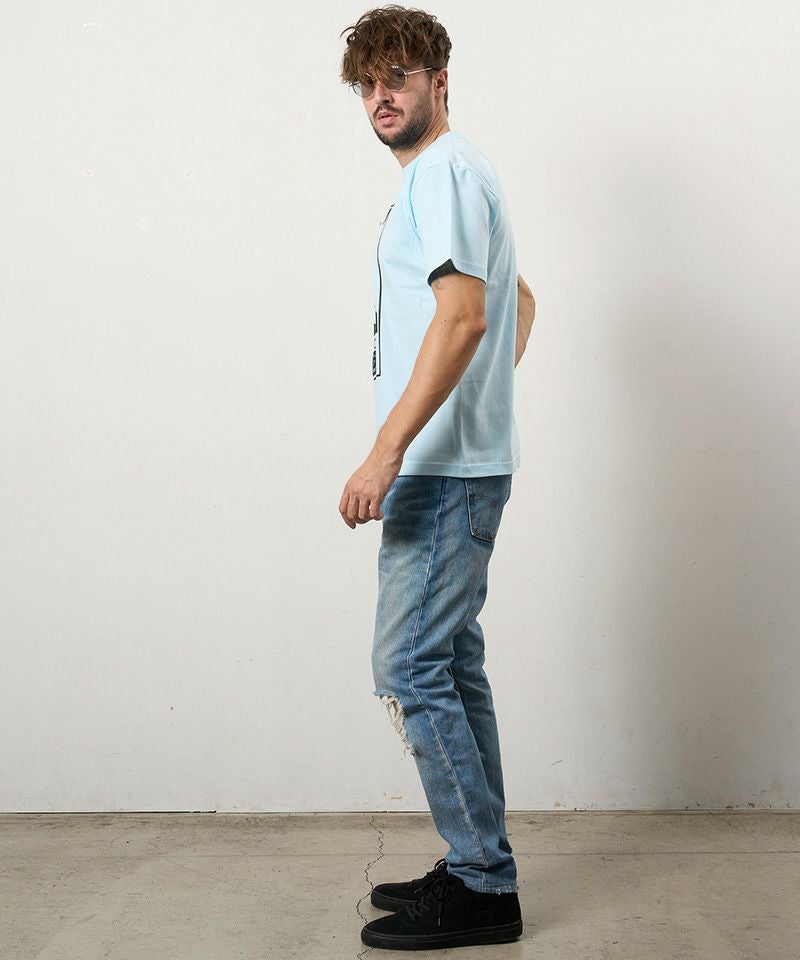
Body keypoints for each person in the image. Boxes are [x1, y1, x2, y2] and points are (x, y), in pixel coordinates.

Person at [338, 4, 536, 951]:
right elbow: (520, 302)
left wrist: (389, 449)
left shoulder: (445, 171)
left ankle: (483, 884)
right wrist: (480, 403)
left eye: (399, 79)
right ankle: (477, 863)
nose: (381, 96)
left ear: (439, 83)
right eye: (368, 83)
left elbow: (466, 317)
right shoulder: (453, 174)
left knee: (411, 666)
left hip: (442, 471)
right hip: (459, 460)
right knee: (450, 664)